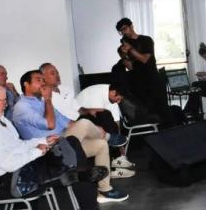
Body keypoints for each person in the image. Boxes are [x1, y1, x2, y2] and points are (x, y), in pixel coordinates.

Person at [0, 81, 124, 210]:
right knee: (77, 165)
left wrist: (43, 141)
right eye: (4, 101)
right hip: (16, 179)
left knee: (71, 144)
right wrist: (37, 152)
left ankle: (80, 178)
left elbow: (19, 145)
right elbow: (7, 164)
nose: (6, 104)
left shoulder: (0, 120)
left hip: (28, 166)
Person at [12, 71, 129, 202]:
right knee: (84, 123)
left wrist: (95, 129)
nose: (43, 83)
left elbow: (68, 123)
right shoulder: (22, 107)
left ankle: (105, 190)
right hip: (48, 152)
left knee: (100, 144)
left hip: (63, 142)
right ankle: (108, 137)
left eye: (43, 80)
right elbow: (50, 125)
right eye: (38, 80)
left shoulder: (42, 102)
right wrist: (48, 100)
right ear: (26, 84)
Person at [115, 18, 168, 121]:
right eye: (121, 31)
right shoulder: (123, 47)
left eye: (124, 29)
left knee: (160, 110)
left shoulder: (146, 40)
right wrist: (124, 55)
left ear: (131, 26)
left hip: (152, 80)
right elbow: (130, 67)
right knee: (146, 112)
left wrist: (131, 49)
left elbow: (144, 59)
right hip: (137, 83)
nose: (124, 32)